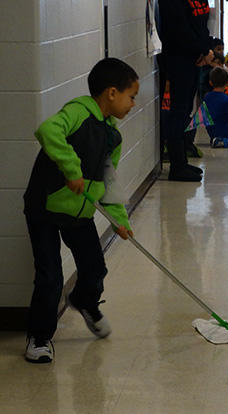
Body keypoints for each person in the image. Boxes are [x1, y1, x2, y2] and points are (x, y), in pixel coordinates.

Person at [22, 58, 138, 363]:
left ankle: (84, 302)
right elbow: (48, 131)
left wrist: (119, 220)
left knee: (94, 267)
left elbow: (108, 180)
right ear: (112, 93)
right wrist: (71, 168)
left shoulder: (114, 135)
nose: (133, 104)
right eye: (131, 96)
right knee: (50, 276)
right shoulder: (78, 111)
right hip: (44, 207)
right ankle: (39, 338)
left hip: (79, 213)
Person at [158, 0, 211, 181]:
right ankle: (177, 167)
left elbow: (202, 26)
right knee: (178, 112)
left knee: (185, 110)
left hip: (194, 58)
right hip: (177, 59)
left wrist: (206, 50)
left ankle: (182, 161)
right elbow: (179, 30)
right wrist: (203, 49)